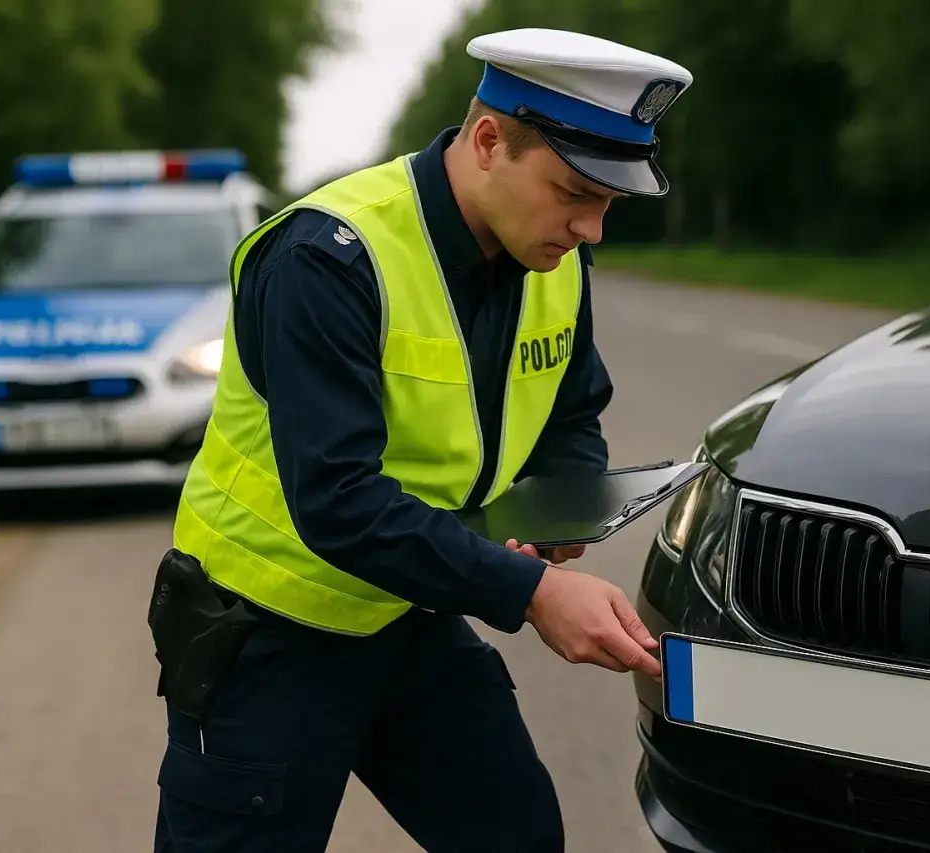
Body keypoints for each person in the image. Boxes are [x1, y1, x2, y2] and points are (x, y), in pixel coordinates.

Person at [148, 26, 693, 853]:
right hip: (267, 633)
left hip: (411, 609)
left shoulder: (551, 256)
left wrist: (563, 505)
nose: (592, 229)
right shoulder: (327, 258)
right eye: (575, 191)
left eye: (608, 203)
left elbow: (572, 410)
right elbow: (337, 499)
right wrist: (529, 592)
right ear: (486, 142)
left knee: (517, 834)